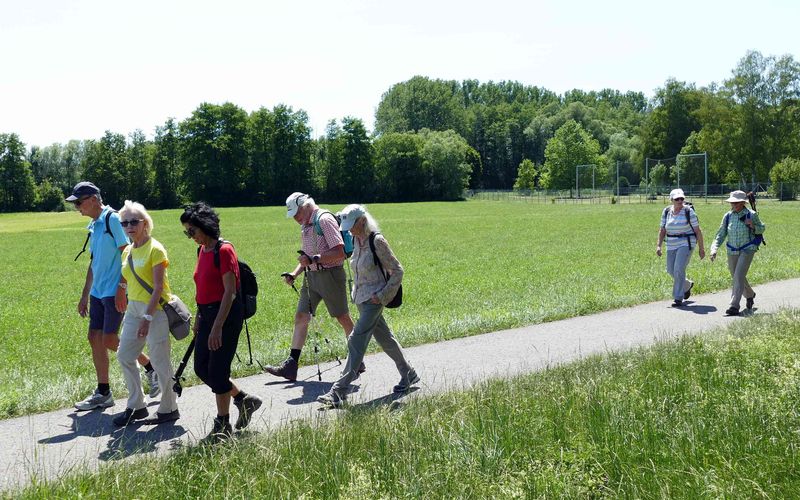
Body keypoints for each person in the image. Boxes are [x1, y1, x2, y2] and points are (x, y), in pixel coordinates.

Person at [68, 182, 159, 412]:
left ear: (93, 200)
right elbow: (93, 262)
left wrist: (121, 287)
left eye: (79, 202)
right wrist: (85, 294)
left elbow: (128, 255)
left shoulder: (113, 220)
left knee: (109, 339)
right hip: (98, 292)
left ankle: (151, 368)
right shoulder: (95, 224)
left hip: (113, 291)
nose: (77, 207)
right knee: (94, 337)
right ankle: (103, 392)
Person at [318, 204, 418, 408]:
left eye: (351, 225)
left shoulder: (377, 241)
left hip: (374, 300)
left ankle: (339, 390)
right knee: (386, 339)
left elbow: (398, 271)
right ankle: (408, 374)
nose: (348, 230)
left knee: (356, 339)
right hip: (361, 299)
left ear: (362, 221)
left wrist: (381, 296)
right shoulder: (356, 240)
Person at [180, 202, 262, 442]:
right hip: (207, 315)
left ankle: (223, 425)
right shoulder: (202, 251)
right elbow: (202, 287)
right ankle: (243, 400)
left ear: (205, 226)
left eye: (192, 231)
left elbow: (230, 292)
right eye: (187, 232)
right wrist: (199, 317)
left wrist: (216, 327)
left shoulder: (224, 251)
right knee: (201, 368)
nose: (190, 236)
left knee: (217, 371)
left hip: (225, 317)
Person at [263, 192, 358, 381]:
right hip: (311, 276)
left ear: (306, 206)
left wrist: (314, 259)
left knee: (342, 317)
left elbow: (339, 252)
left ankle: (357, 358)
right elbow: (306, 257)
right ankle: (291, 366)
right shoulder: (305, 225)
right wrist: (294, 273)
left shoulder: (324, 220)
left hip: (331, 275)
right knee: (301, 316)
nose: (295, 218)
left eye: (297, 213)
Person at [112, 201, 180, 426]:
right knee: (124, 355)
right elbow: (126, 275)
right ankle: (137, 406)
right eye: (124, 223)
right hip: (133, 308)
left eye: (134, 222)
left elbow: (158, 287)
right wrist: (121, 290)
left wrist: (147, 318)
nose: (129, 226)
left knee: (160, 361)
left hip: (155, 310)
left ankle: (169, 408)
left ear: (145, 224)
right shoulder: (128, 250)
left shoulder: (155, 249)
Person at [710, 190, 766, 316]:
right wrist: (714, 249)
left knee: (738, 276)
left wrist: (753, 226)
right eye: (732, 202)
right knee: (736, 276)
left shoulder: (751, 214)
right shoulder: (728, 216)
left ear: (743, 203)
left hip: (748, 249)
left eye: (736, 202)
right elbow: (721, 234)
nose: (733, 205)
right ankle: (750, 294)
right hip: (732, 250)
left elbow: (762, 228)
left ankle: (734, 305)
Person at [656, 188, 706, 307]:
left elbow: (698, 231)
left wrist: (701, 248)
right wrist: (658, 245)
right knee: (670, 270)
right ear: (671, 200)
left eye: (681, 198)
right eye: (677, 199)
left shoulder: (689, 211)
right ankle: (687, 285)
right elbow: (662, 230)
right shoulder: (666, 211)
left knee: (678, 268)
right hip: (671, 243)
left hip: (686, 243)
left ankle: (678, 297)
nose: (680, 201)